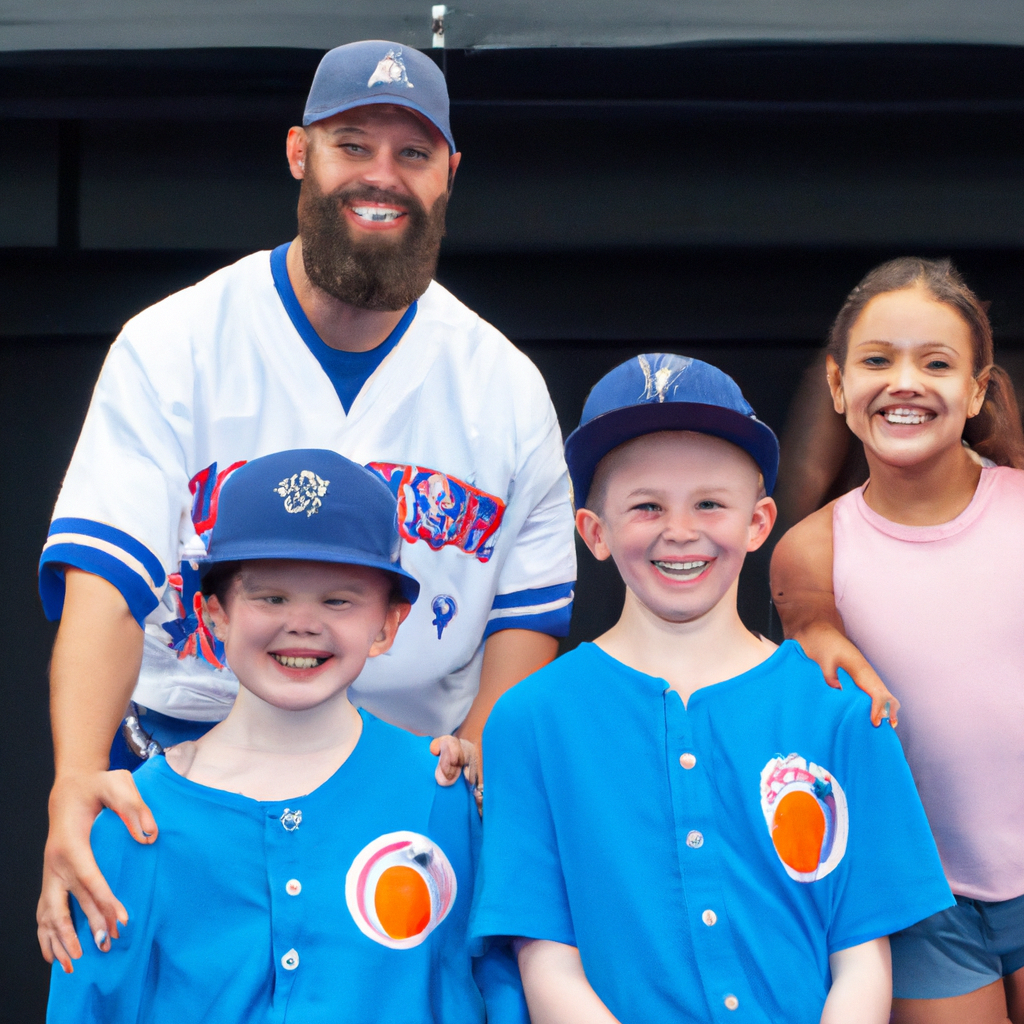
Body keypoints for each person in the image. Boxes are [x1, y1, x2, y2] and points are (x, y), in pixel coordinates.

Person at [37, 40, 576, 972]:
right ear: (299, 153)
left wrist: (484, 756)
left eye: (413, 153)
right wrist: (78, 775)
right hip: (189, 780)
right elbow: (105, 580)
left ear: (450, 172)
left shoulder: (501, 385)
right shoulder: (176, 344)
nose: (382, 175)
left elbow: (527, 614)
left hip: (407, 799)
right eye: (351, 143)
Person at [470, 352, 954, 1024]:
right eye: (646, 505)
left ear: (757, 523)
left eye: (709, 503)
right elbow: (544, 957)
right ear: (594, 531)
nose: (680, 531)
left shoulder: (838, 711)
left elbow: (862, 954)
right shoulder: (531, 719)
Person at [46, 448, 527, 1023]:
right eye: (270, 596)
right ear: (214, 614)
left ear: (388, 624)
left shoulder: (439, 790)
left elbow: (493, 990)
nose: (302, 623)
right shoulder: (137, 820)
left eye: (338, 599)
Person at [770, 258, 1024, 1024]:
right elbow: (813, 625)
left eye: (936, 363)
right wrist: (817, 636)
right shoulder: (812, 547)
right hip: (918, 896)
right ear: (840, 385)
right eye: (878, 360)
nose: (904, 381)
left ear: (976, 389)